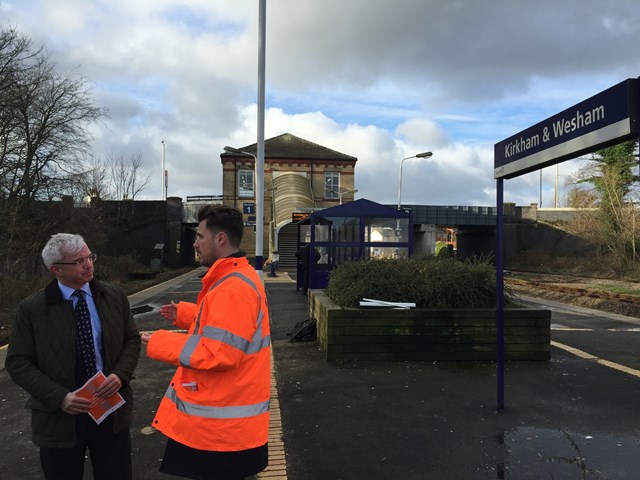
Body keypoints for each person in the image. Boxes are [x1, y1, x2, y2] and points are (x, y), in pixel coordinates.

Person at [141, 205, 271, 480]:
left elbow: (221, 352)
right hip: (224, 426)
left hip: (219, 431)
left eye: (200, 236)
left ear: (220, 239)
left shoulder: (231, 288)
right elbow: (228, 329)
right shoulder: (234, 278)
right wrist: (189, 315)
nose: (195, 243)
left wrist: (160, 342)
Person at [6, 233, 141, 480]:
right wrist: (59, 397)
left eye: (90, 256)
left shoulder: (114, 296)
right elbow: (18, 362)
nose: (89, 264)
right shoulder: (31, 309)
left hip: (111, 412)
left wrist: (120, 375)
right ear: (56, 269)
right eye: (79, 261)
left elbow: (131, 340)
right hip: (60, 420)